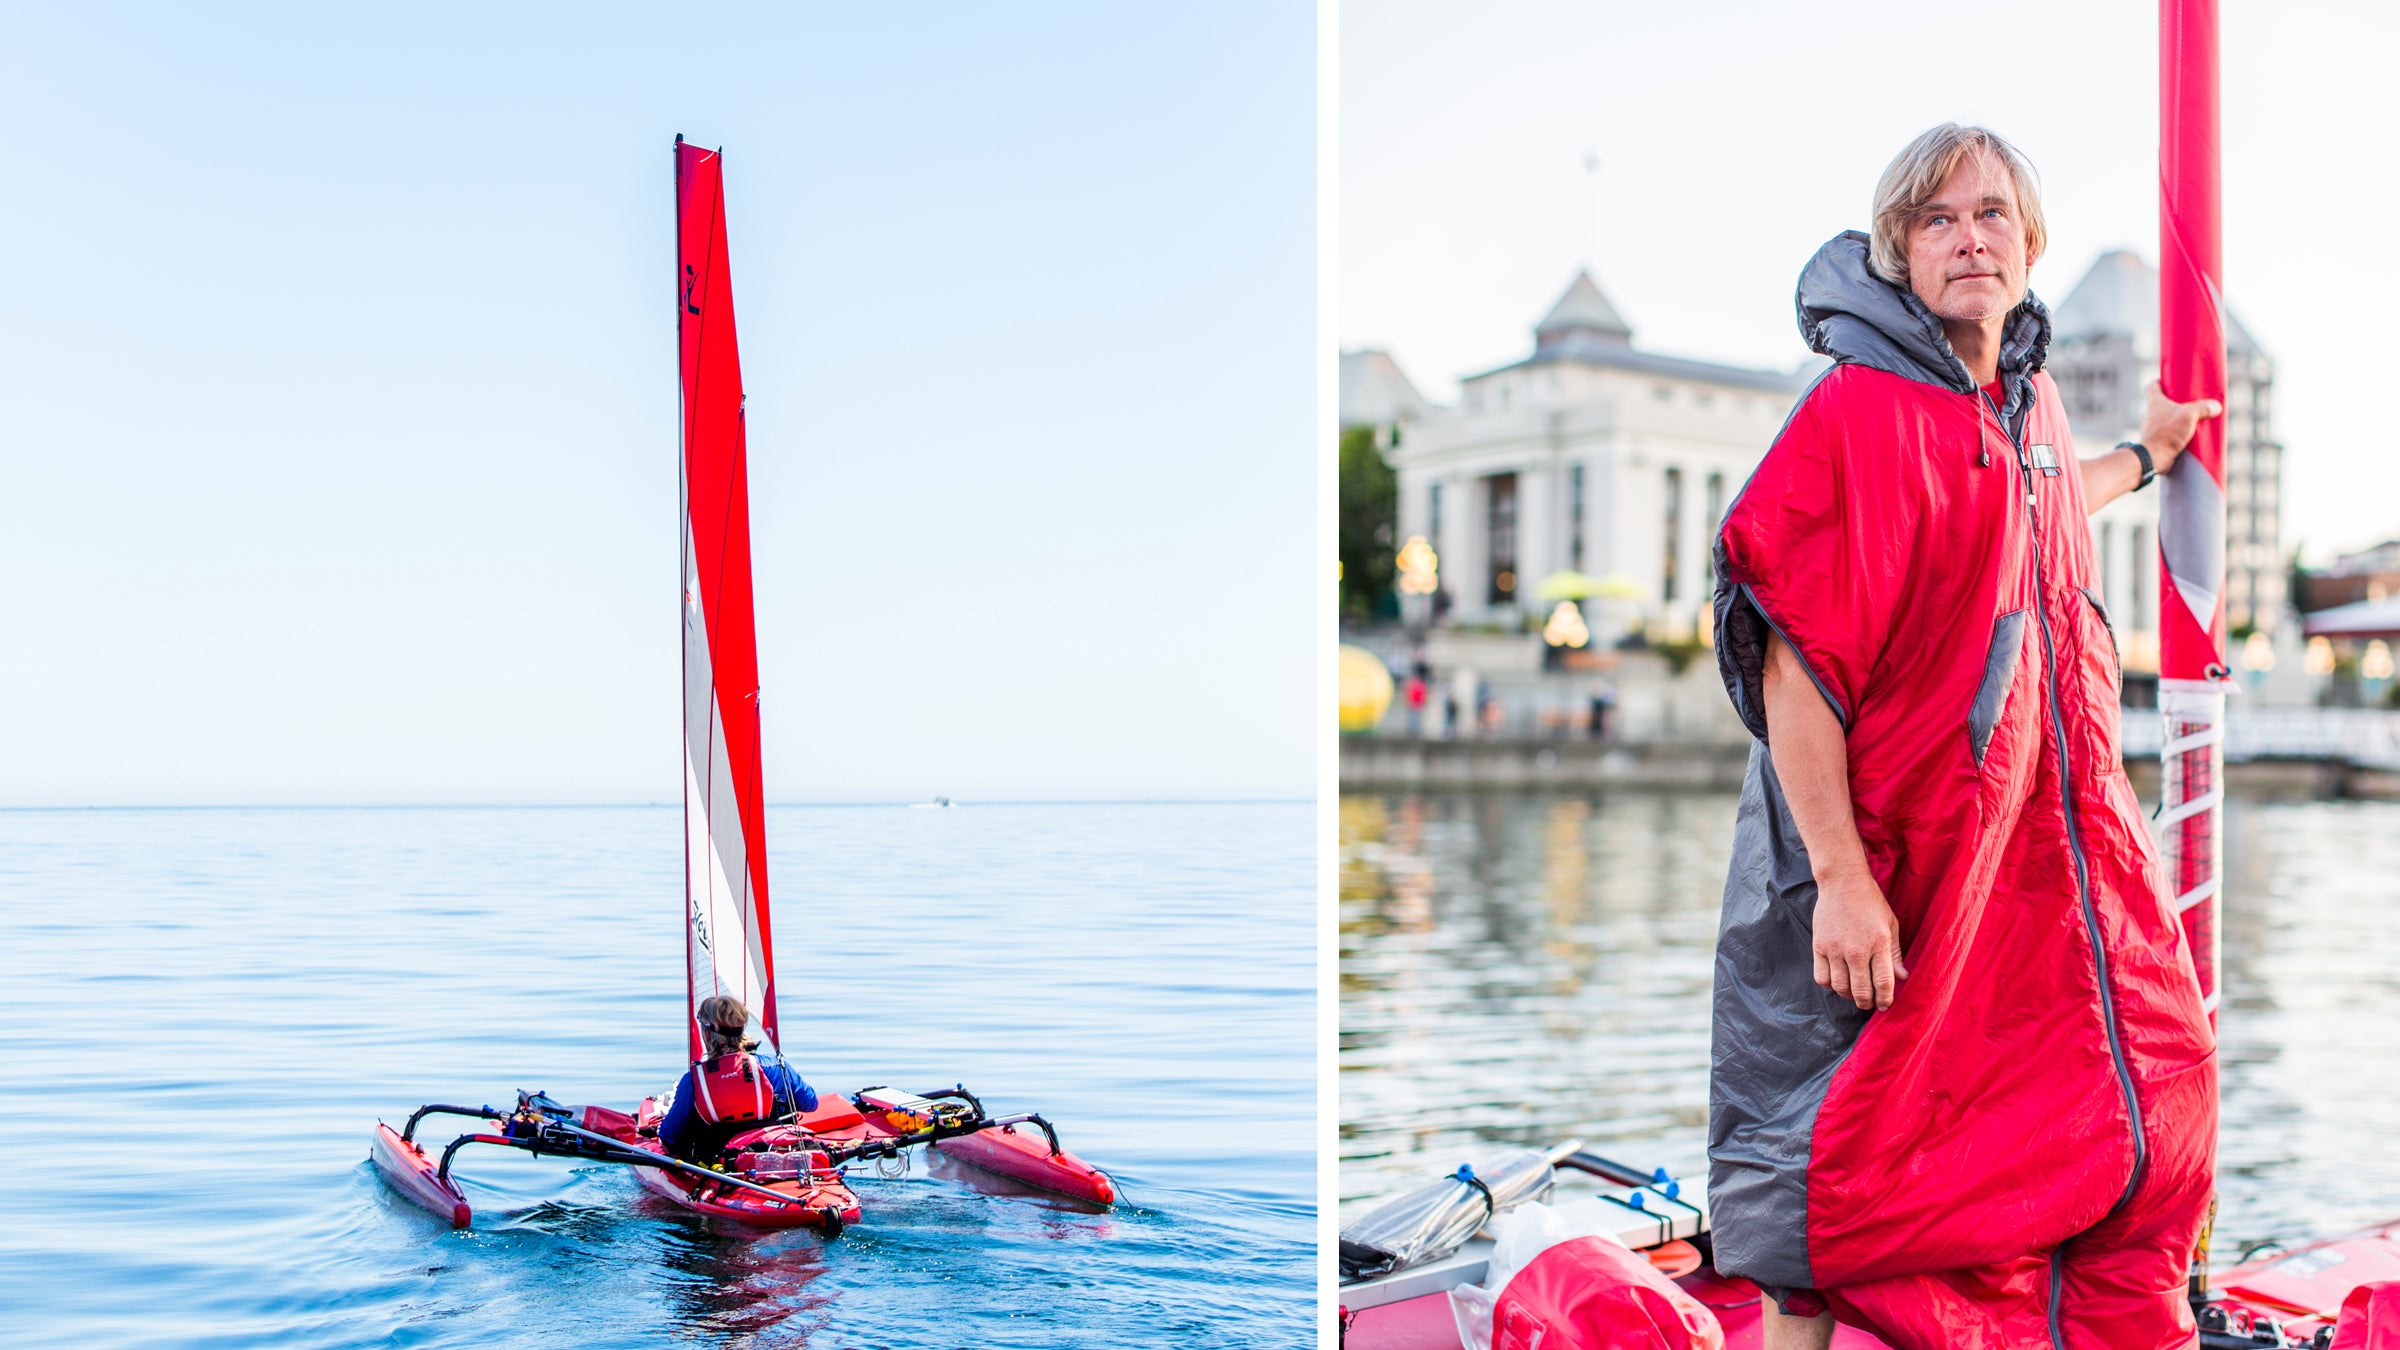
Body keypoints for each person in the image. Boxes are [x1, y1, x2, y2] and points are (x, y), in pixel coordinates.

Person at [1707, 124, 2222, 1350]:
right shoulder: (1858, 411)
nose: (1971, 236)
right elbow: (1795, 664)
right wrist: (1842, 883)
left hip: (2043, 852)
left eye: (1993, 213)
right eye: (1938, 220)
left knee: (2154, 1078)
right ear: (1899, 252)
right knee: (1825, 1163)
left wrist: (2147, 457)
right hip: (1882, 851)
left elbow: (2037, 483)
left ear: (2029, 244)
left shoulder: (2024, 401)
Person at [657, 995, 819, 1162]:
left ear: (706, 1034)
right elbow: (810, 1103)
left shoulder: (693, 1080)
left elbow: (669, 1136)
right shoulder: (775, 1066)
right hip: (778, 1154)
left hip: (720, 1167)